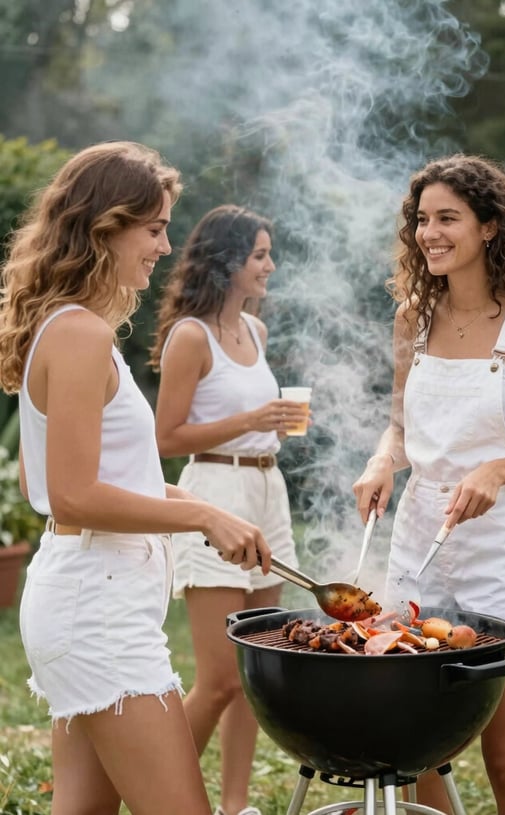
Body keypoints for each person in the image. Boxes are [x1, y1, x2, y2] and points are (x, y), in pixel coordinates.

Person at [0, 142, 273, 815]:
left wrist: (206, 507)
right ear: (105, 227)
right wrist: (204, 515)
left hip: (91, 597)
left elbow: (75, 477)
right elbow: (69, 495)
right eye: (153, 229)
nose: (165, 244)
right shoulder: (78, 335)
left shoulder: (74, 328)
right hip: (97, 610)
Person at [352, 154, 505, 815]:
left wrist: (499, 468)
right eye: (422, 220)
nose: (430, 232)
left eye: (447, 218)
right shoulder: (411, 317)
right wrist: (379, 464)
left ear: (488, 226)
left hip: (503, 551)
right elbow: (398, 428)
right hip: (419, 541)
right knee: (416, 745)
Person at [150, 205, 307, 815]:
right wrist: (248, 422)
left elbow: (259, 425)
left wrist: (271, 431)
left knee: (258, 670)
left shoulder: (256, 331)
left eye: (269, 254)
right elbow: (164, 438)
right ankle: (159, 795)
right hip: (213, 495)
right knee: (218, 678)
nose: (270, 265)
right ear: (228, 262)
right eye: (260, 255)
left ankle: (236, 804)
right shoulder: (191, 335)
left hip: (269, 494)